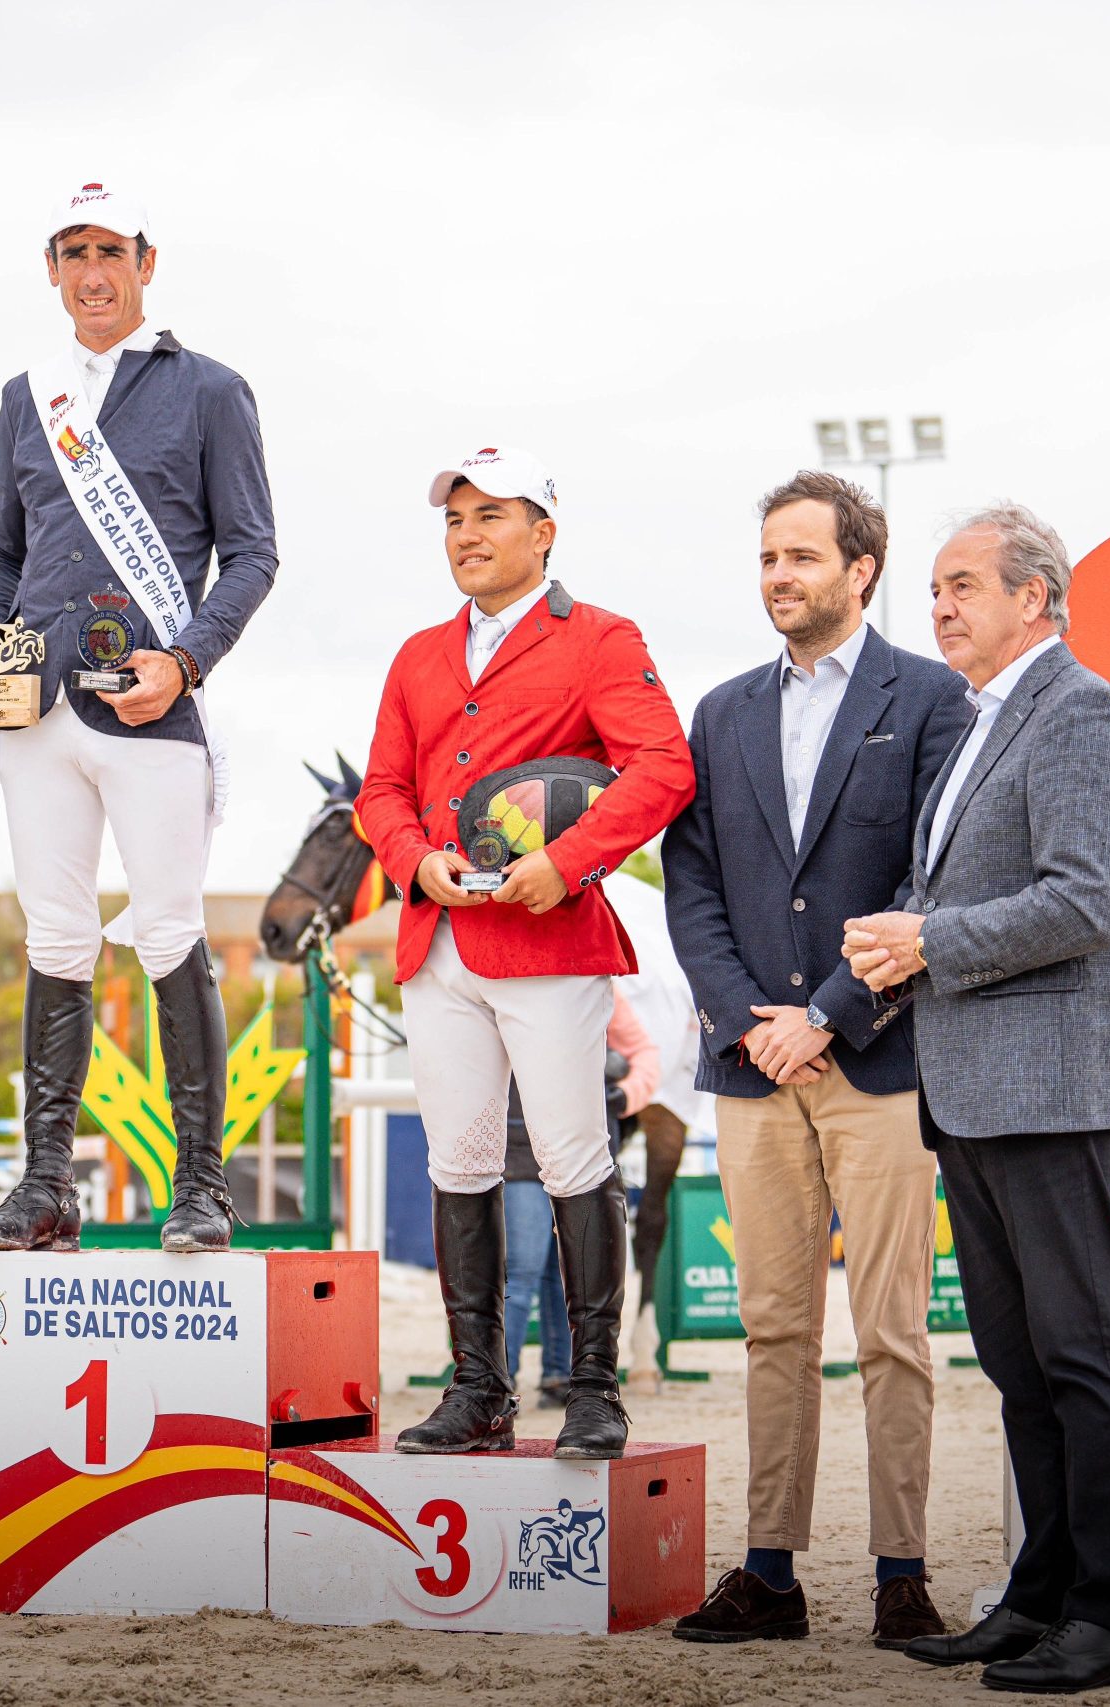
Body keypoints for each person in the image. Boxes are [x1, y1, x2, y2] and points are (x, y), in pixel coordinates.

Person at [844, 504, 1110, 1694]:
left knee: (1085, 1359)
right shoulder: (982, 724)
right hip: (973, 1088)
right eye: (933, 587)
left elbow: (1086, 902)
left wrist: (927, 939)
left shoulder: (1082, 711)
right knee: (1020, 1364)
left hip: (1055, 1083)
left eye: (962, 583)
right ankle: (1038, 1599)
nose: (938, 605)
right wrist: (894, 958)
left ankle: (1109, 1621)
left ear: (1036, 597)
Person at [661, 472, 971, 1648]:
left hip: (879, 1061)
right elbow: (690, 883)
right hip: (752, 1070)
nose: (778, 578)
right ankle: (769, 1575)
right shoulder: (722, 709)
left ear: (859, 570)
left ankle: (902, 1573)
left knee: (892, 1331)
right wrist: (747, 1017)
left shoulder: (931, 697)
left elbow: (930, 881)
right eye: (766, 559)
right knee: (774, 1329)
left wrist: (830, 1013)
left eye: (800, 557)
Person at [0, 183, 278, 1256]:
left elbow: (254, 551)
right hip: (33, 695)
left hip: (149, 698)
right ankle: (45, 1185)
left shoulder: (211, 390)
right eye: (73, 251)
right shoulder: (23, 395)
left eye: (111, 251)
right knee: (54, 937)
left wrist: (185, 663)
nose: (93, 271)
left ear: (145, 261)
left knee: (171, 934)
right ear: (52, 267)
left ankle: (201, 1188)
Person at [356, 447, 695, 1458]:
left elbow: (663, 766)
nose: (465, 534)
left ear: (543, 532)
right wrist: (412, 863)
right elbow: (379, 791)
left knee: (570, 1157)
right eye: (453, 519)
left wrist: (571, 858)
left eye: (489, 516)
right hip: (440, 938)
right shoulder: (417, 654)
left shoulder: (599, 638)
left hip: (548, 940)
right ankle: (477, 1390)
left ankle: (592, 1389)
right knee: (457, 1163)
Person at [501, 990, 656, 1408]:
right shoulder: (498, 984)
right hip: (519, 1150)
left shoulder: (597, 987)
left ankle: (559, 1378)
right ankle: (500, 1381)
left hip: (575, 1150)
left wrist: (625, 1096)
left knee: (564, 1273)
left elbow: (644, 1054)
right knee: (525, 1268)